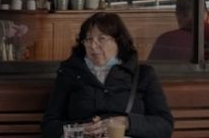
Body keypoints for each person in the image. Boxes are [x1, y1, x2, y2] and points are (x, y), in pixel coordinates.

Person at [41, 12, 175, 138]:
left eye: (101, 38)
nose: (93, 46)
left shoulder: (143, 75)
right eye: (88, 39)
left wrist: (127, 122)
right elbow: (49, 127)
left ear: (118, 41)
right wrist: (80, 129)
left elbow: (165, 126)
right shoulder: (69, 73)